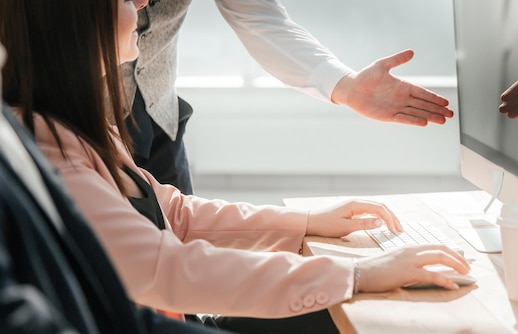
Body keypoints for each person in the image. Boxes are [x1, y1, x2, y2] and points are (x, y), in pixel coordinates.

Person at [0, 0, 471, 333]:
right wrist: (355, 275)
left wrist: (308, 223)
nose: (144, 4)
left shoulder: (75, 128)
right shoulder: (54, 150)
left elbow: (174, 216)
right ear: (72, 23)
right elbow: (166, 268)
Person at [0, 43, 224, 334]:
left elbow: (170, 211)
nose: (143, 5)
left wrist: (301, 222)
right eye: (124, 2)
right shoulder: (44, 135)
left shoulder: (85, 125)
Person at [125, 0, 456, 194]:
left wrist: (346, 87)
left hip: (159, 121)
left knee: (181, 270)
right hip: (82, 120)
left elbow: (259, 19)